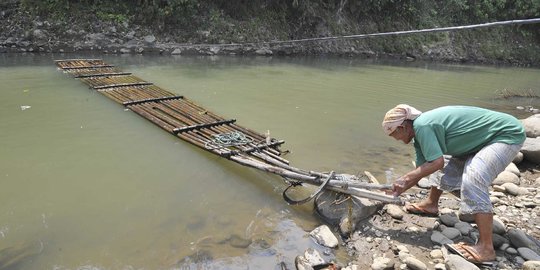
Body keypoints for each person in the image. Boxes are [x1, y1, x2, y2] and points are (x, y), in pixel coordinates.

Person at [382, 104, 525, 265]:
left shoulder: (423, 125)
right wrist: (399, 188)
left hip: (505, 135)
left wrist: (405, 179)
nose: (397, 140)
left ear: (402, 127)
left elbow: (436, 162)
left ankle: (486, 248)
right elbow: (424, 167)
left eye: (395, 135)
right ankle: (431, 204)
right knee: (435, 163)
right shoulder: (418, 133)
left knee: (473, 179)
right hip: (479, 139)